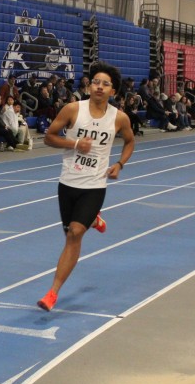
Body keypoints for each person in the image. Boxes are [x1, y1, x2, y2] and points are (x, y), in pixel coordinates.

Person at [37, 62, 135, 312]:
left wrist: (119, 164)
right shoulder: (73, 109)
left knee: (74, 234)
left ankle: (52, 293)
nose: (99, 87)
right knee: (70, 233)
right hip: (68, 182)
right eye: (96, 82)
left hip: (95, 185)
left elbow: (130, 142)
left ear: (113, 91)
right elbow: (49, 137)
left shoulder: (119, 117)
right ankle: (93, 220)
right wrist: (75, 144)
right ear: (89, 85)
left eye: (105, 84)